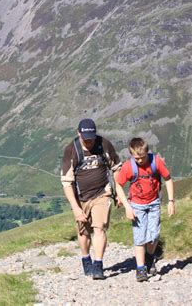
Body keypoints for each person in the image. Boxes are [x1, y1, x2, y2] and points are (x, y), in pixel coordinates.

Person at [61, 118, 122, 280]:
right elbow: (67, 183)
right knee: (83, 232)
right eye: (85, 138)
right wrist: (76, 208)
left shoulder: (104, 145)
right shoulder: (71, 150)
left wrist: (119, 193)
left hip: (103, 193)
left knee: (99, 228)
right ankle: (85, 257)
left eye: (91, 138)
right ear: (78, 134)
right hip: (81, 198)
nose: (88, 142)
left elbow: (116, 168)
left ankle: (98, 264)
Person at [115, 137, 174, 282]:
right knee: (140, 237)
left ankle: (149, 257)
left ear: (147, 152)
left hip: (154, 203)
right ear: (131, 155)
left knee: (154, 236)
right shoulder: (129, 166)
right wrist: (127, 207)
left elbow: (168, 178)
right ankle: (140, 269)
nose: (140, 161)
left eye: (142, 158)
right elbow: (118, 186)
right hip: (137, 205)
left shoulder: (156, 161)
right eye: (136, 158)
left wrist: (171, 201)